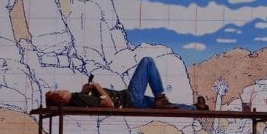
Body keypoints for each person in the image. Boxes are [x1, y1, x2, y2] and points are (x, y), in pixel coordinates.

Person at [45, 57, 208, 110]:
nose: (62, 90)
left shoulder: (78, 98)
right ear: (62, 99)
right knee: (147, 62)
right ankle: (159, 96)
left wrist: (85, 90)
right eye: (59, 92)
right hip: (129, 99)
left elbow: (96, 101)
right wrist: (96, 86)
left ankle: (195, 108)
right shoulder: (77, 100)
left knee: (167, 106)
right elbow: (108, 103)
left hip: (131, 101)